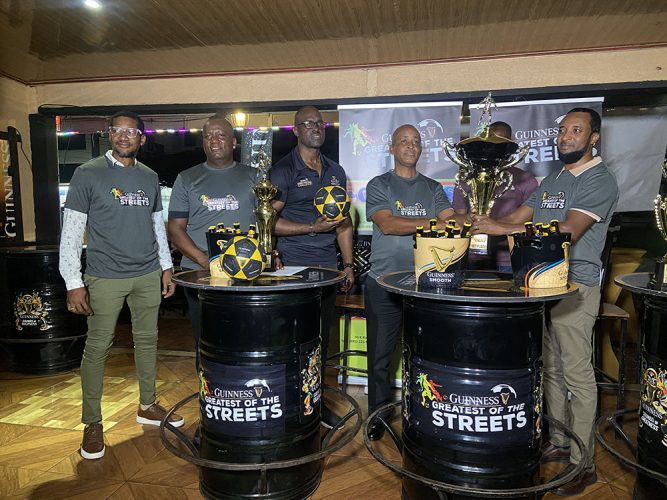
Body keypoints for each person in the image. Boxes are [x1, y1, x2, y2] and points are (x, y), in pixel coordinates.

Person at [472, 108, 619, 496]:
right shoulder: (553, 178)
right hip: (541, 283)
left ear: (593, 138)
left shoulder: (599, 180)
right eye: (563, 131)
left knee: (577, 373)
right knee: (550, 366)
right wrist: (485, 218)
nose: (566, 137)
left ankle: (582, 462)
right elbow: (522, 214)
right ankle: (558, 438)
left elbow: (568, 229)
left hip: (576, 285)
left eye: (576, 130)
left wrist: (502, 228)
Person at [59, 110, 183, 461]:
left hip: (147, 274)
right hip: (104, 276)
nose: (125, 136)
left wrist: (166, 268)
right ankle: (92, 423)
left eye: (132, 132)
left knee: (147, 341)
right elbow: (71, 233)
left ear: (142, 139)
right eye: (118, 130)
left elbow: (157, 226)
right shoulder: (87, 173)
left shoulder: (149, 176)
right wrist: (73, 282)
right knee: (97, 347)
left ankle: (147, 405)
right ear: (108, 134)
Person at [365, 124, 462, 440]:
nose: (410, 146)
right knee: (380, 357)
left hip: (425, 284)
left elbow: (453, 217)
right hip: (383, 283)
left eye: (416, 141)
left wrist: (470, 217)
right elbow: (389, 225)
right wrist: (436, 221)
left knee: (422, 355)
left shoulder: (433, 187)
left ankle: (419, 410)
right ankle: (378, 415)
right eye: (403, 141)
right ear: (392, 149)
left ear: (421, 150)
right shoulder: (379, 185)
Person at [269, 105, 354, 428]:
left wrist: (347, 265)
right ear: (296, 130)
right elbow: (269, 222)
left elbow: (343, 223)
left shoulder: (335, 170)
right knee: (294, 342)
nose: (316, 128)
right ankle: (292, 406)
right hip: (293, 269)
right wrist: (310, 229)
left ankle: (315, 406)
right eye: (308, 124)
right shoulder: (283, 171)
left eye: (320, 123)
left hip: (327, 269)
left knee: (321, 341)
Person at [168, 115, 257, 362]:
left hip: (245, 271)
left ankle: (243, 391)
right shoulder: (186, 178)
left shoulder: (254, 176)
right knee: (207, 342)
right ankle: (210, 396)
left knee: (246, 337)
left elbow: (266, 221)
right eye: (208, 136)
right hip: (200, 274)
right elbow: (175, 229)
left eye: (220, 135)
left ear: (234, 141)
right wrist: (204, 259)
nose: (214, 141)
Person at [452, 121, 538, 271]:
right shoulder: (467, 179)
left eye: (501, 144)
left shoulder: (525, 180)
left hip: (509, 259)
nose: (495, 148)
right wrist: (468, 218)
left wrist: (491, 226)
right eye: (491, 142)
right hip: (469, 257)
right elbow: (456, 219)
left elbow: (527, 222)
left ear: (510, 147)